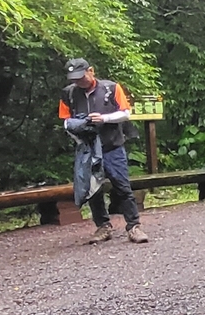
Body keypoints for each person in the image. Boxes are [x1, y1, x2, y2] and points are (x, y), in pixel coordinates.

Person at [59, 57, 147, 244]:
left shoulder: (111, 88)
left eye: (81, 77)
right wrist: (79, 127)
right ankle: (103, 226)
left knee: (122, 186)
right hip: (88, 149)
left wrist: (104, 119)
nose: (78, 82)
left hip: (112, 146)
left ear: (91, 71)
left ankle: (134, 226)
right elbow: (66, 121)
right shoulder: (69, 94)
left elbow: (125, 113)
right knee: (93, 190)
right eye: (74, 79)